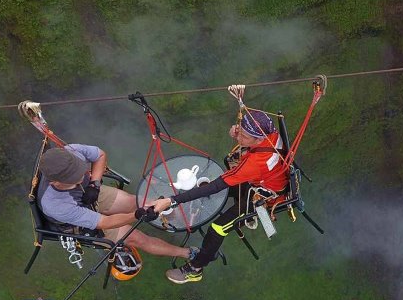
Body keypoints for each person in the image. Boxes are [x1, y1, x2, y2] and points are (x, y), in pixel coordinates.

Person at [152, 110, 288, 284]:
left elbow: (217, 186)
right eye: (240, 131)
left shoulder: (255, 163)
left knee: (217, 228)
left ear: (258, 139)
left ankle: (196, 269)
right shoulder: (270, 131)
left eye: (245, 136)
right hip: (263, 180)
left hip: (261, 197)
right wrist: (239, 134)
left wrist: (172, 200)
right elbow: (249, 139)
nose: (239, 137)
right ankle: (189, 208)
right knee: (210, 190)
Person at [38, 144, 196, 260]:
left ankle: (177, 218)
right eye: (74, 178)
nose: (80, 176)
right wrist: (136, 215)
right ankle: (187, 253)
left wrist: (94, 184)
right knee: (137, 237)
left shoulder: (71, 152)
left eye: (80, 170)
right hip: (78, 222)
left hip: (89, 191)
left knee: (137, 201)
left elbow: (100, 155)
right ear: (54, 182)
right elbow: (105, 222)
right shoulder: (55, 205)